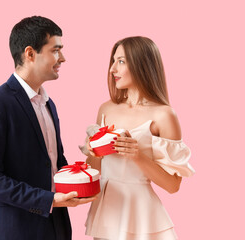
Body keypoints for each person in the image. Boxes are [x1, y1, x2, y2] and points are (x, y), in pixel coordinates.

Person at [0, 16, 95, 240]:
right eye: (56, 50)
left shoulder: (49, 104)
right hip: (15, 231)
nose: (63, 58)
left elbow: (54, 163)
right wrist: (48, 200)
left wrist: (84, 175)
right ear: (30, 53)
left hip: (57, 229)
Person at [82, 36, 195, 240]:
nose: (112, 69)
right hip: (108, 212)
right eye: (113, 61)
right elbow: (95, 169)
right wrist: (94, 152)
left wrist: (137, 156)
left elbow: (173, 185)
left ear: (142, 64)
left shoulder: (164, 115)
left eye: (121, 61)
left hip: (142, 217)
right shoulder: (105, 109)